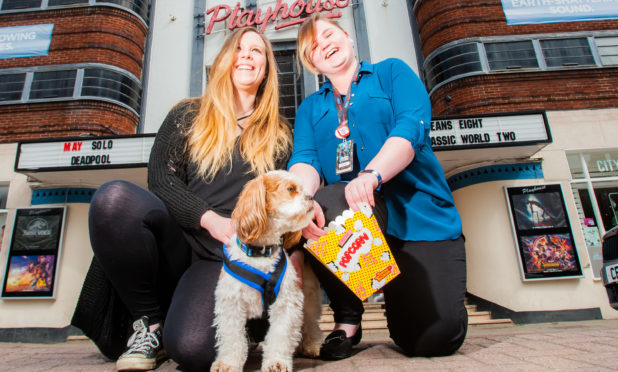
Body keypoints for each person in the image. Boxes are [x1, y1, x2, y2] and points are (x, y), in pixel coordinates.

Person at [72, 27, 292, 371]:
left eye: (257, 51)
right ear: (223, 60)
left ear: (265, 70)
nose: (247, 55)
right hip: (178, 238)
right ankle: (149, 325)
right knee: (114, 198)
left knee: (192, 349)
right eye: (238, 48)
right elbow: (161, 180)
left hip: (224, 260)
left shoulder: (278, 133)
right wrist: (210, 219)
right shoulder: (188, 114)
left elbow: (278, 204)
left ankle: (223, 326)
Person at [288, 13, 468, 360]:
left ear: (348, 37)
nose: (323, 44)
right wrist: (303, 199)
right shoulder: (311, 108)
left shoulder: (391, 72)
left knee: (432, 340)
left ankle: (399, 294)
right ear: (311, 63)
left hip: (420, 219)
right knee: (322, 203)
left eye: (328, 34)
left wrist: (372, 174)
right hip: (360, 217)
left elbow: (410, 128)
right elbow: (305, 160)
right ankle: (348, 319)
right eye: (312, 46)